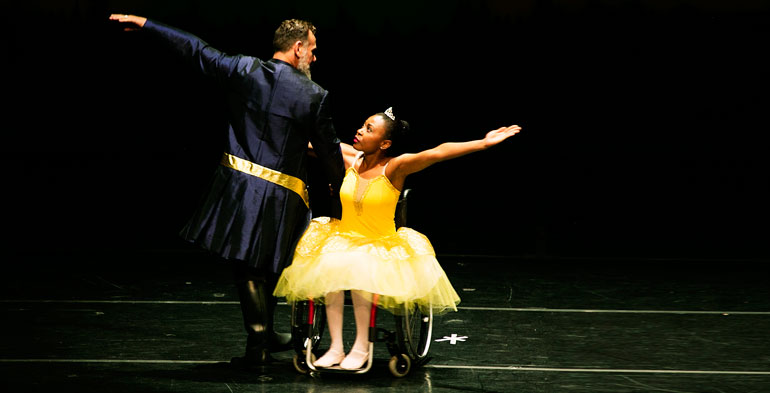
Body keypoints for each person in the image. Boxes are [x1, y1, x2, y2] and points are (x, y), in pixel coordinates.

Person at [108, 14, 346, 368]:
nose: (314, 57)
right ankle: (261, 341)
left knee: (248, 267)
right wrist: (341, 196)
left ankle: (260, 342)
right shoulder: (315, 95)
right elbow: (329, 152)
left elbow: (196, 50)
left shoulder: (244, 70)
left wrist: (148, 25)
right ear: (297, 48)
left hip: (242, 187)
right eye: (311, 49)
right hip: (284, 194)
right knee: (262, 266)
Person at [274, 107, 521, 369]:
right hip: (343, 237)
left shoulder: (395, 167)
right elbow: (308, 143)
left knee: (358, 270)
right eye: (363, 125)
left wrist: (482, 143)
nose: (360, 130)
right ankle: (335, 348)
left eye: (369, 129)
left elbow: (436, 153)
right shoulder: (350, 157)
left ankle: (361, 347)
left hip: (380, 243)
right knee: (329, 271)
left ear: (385, 143)